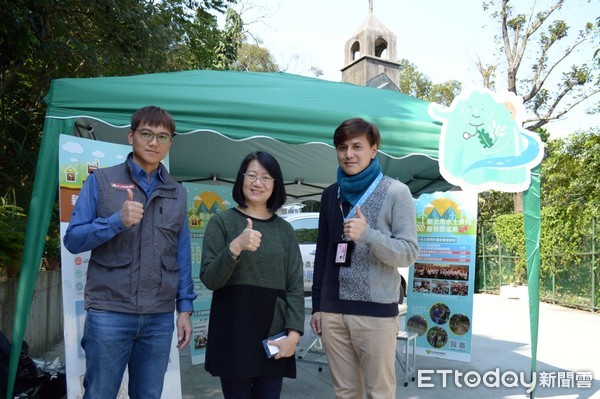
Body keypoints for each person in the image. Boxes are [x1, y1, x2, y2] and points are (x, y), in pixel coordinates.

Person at [63, 105, 197, 399]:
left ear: (170, 143)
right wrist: (116, 222)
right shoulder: (102, 181)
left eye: (163, 137)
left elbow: (182, 255)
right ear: (131, 136)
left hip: (159, 317)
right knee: (99, 394)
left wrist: (184, 309)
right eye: (146, 133)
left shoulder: (177, 192)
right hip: (110, 312)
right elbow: (73, 239)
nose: (153, 142)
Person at [310, 118, 419, 399]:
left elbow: (408, 252)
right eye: (342, 147)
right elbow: (323, 252)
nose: (349, 154)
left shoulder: (396, 192)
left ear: (374, 150)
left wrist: (369, 235)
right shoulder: (330, 194)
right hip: (333, 313)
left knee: (379, 393)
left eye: (357, 146)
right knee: (345, 392)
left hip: (376, 313)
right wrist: (318, 307)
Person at [200, 151, 304, 399]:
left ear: (275, 185)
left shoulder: (285, 230)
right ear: (241, 179)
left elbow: (295, 286)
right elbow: (209, 279)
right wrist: (235, 247)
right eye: (252, 175)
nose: (258, 183)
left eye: (266, 177)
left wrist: (294, 333)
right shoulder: (221, 222)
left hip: (273, 331)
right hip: (233, 329)